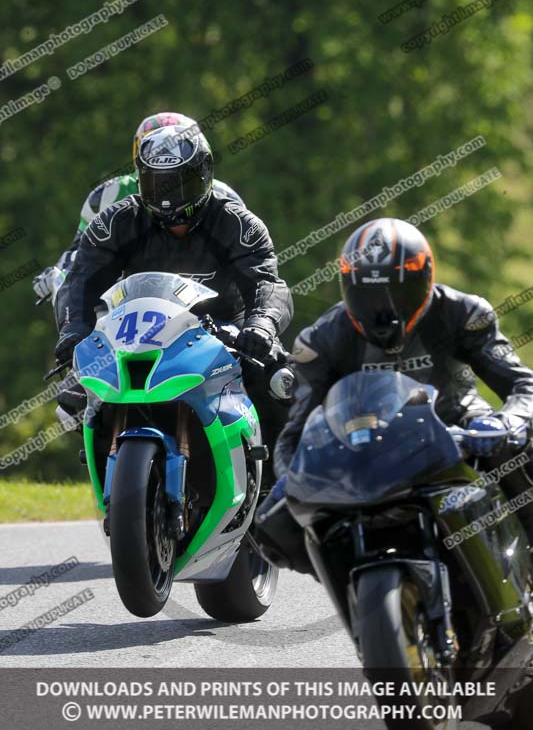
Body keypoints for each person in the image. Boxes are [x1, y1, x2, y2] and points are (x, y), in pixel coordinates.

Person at [257, 217, 533, 569]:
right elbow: (294, 431)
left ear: (425, 279)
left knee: (521, 452)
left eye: (397, 292)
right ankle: (352, 578)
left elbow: (522, 384)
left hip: (460, 427)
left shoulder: (465, 313)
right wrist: (291, 475)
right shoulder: (321, 339)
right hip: (366, 444)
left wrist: (508, 422)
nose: (383, 308)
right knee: (273, 524)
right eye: (367, 294)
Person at [54, 124, 293, 473]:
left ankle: (277, 490)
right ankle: (111, 472)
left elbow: (267, 282)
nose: (169, 198)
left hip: (225, 336)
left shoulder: (238, 223)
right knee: (72, 398)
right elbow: (81, 280)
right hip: (139, 335)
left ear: (205, 174)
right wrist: (73, 328)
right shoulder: (116, 222)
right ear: (140, 180)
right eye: (157, 183)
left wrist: (261, 325)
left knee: (281, 385)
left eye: (180, 182)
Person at [32, 112, 244, 305]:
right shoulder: (107, 194)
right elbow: (80, 249)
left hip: (207, 304)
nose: (161, 161)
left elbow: (248, 257)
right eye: (153, 147)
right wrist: (59, 274)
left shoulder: (224, 195)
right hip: (125, 307)